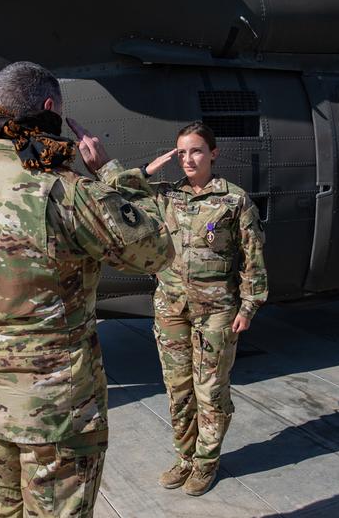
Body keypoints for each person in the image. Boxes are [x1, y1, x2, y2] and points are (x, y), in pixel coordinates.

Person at [0, 61, 174, 518]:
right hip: (58, 409)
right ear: (50, 108)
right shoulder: (66, 189)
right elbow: (155, 252)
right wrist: (113, 174)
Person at [95, 121, 268, 496]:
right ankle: (185, 457)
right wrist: (149, 170)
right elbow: (113, 189)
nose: (189, 159)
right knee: (177, 389)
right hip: (171, 307)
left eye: (197, 151)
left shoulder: (234, 200)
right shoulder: (165, 196)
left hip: (216, 310)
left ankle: (206, 463)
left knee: (210, 391)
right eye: (182, 152)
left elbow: (253, 258)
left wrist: (249, 306)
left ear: (213, 153)